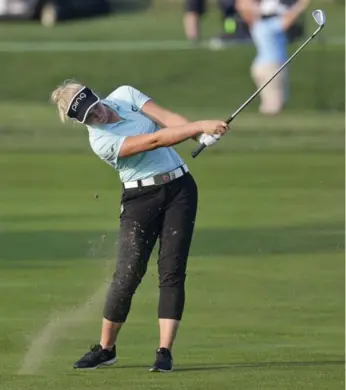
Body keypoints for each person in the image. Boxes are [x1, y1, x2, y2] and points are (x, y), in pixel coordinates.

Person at [50, 80, 229, 372]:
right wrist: (200, 126)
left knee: (172, 270)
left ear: (95, 96)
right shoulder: (101, 141)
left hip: (181, 189)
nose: (98, 116)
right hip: (139, 199)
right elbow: (157, 140)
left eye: (95, 108)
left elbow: (168, 121)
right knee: (128, 274)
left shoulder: (124, 94)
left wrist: (199, 135)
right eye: (89, 118)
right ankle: (106, 349)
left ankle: (164, 352)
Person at [236, 0, 310, 114]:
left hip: (263, 65)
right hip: (271, 67)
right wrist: (300, 5)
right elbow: (287, 20)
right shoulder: (266, 26)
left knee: (270, 102)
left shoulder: (258, 25)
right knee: (274, 105)